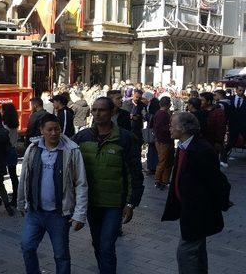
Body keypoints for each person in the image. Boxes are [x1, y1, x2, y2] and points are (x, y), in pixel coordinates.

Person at [72, 97, 144, 274]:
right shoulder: (82, 137)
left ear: (112, 112)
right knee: (97, 243)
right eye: (94, 109)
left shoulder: (126, 138)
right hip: (91, 203)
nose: (97, 113)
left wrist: (131, 203)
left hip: (114, 204)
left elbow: (134, 173)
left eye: (102, 110)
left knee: (106, 245)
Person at [18, 114, 88, 274]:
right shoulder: (33, 149)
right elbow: (25, 177)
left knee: (61, 255)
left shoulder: (71, 150)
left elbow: (81, 183)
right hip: (35, 213)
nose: (54, 133)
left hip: (59, 215)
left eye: (57, 129)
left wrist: (79, 215)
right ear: (42, 130)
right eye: (49, 129)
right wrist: (21, 202)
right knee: (27, 247)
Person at [162, 112, 231, 274]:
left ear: (184, 128)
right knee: (196, 253)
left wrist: (223, 201)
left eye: (172, 124)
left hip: (197, 211)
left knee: (186, 254)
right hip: (187, 209)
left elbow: (216, 180)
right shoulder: (183, 146)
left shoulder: (202, 150)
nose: (169, 128)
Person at [1, 102, 20, 207]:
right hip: (13, 150)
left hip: (5, 151)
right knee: (13, 175)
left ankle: (0, 196)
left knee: (1, 174)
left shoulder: (5, 126)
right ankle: (15, 196)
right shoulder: (14, 124)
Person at [153, 97, 174, 190]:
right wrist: (170, 126)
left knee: (168, 161)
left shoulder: (163, 113)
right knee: (163, 161)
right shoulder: (162, 114)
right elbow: (159, 128)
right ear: (168, 104)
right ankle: (158, 180)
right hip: (163, 141)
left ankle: (164, 180)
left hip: (165, 140)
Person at [200, 92, 227, 159]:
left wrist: (218, 141)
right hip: (201, 141)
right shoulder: (200, 111)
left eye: (202, 100)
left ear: (209, 101)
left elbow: (221, 128)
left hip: (213, 141)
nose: (200, 102)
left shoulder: (218, 112)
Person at [225, 85, 246, 166]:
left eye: (243, 90)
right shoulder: (230, 99)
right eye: (240, 90)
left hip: (244, 125)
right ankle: (224, 156)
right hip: (233, 124)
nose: (241, 92)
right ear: (236, 90)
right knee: (231, 141)